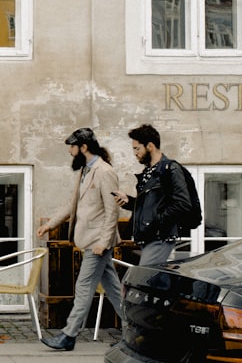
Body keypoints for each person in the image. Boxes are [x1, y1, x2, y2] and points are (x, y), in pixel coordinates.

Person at [36, 127, 123, 352]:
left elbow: (112, 211)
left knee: (83, 286)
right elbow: (71, 205)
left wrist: (104, 242)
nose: (70, 152)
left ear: (83, 147)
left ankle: (68, 335)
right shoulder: (86, 171)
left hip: (97, 243)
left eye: (72, 147)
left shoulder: (104, 172)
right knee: (113, 288)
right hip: (90, 241)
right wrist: (50, 224)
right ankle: (136, 331)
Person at [112, 123, 191, 266]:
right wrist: (129, 201)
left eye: (137, 148)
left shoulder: (170, 169)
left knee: (144, 280)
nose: (135, 153)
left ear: (150, 146)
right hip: (147, 237)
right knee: (146, 280)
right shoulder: (148, 172)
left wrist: (156, 220)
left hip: (160, 237)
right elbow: (149, 206)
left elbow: (183, 204)